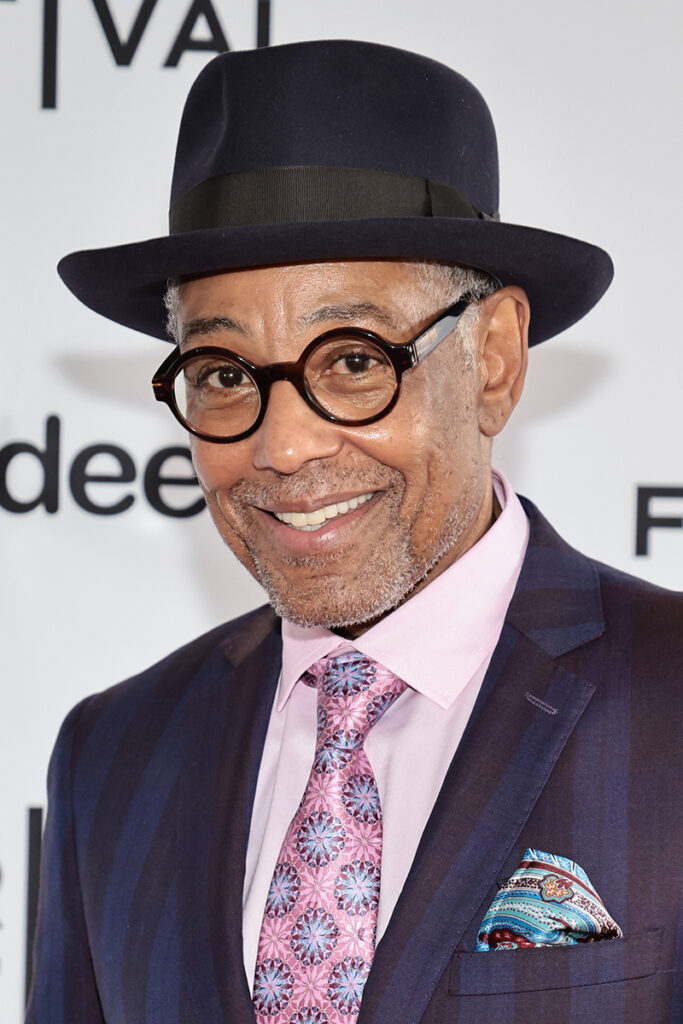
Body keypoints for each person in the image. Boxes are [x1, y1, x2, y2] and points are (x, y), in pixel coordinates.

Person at [26, 39, 681, 1024]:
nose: (283, 446)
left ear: (494, 359)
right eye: (224, 375)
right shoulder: (112, 755)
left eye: (352, 361)